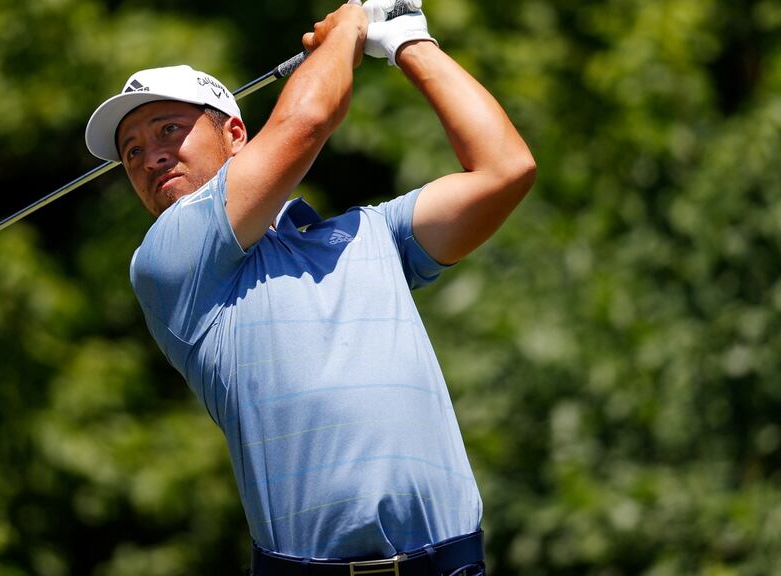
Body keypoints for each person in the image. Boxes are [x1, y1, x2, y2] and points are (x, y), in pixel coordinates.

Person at [84, 0, 535, 573]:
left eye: (169, 129)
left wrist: (407, 41)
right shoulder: (166, 263)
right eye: (132, 153)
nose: (151, 158)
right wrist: (347, 30)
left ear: (235, 133)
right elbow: (308, 119)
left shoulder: (371, 235)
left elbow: (505, 170)